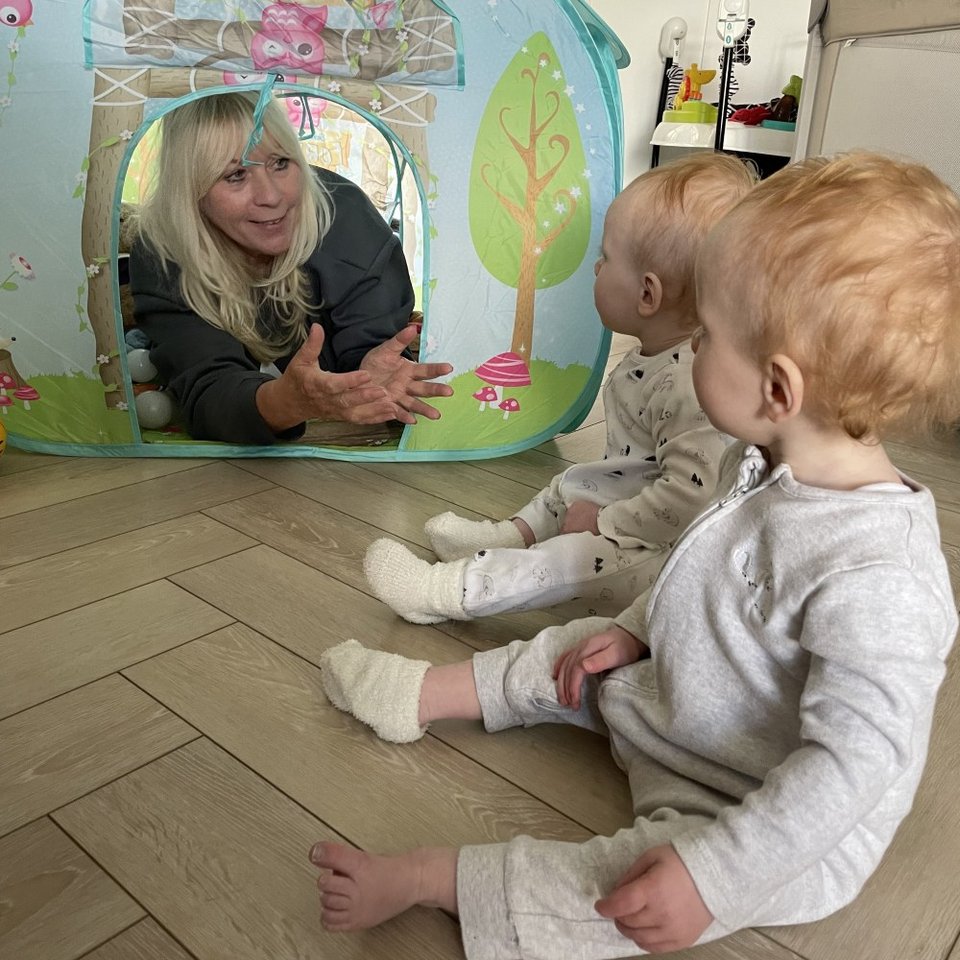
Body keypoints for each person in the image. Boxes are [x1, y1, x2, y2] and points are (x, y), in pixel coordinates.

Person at [308, 151, 960, 958]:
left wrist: (711, 879)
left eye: (709, 336)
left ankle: (430, 879)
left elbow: (850, 771)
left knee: (621, 892)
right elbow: (705, 565)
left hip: (755, 813)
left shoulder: (881, 576)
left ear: (778, 389)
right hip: (689, 702)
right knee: (570, 650)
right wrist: (640, 628)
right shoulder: (759, 460)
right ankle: (426, 694)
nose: (690, 352)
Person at [363, 153, 755, 624]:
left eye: (606, 258)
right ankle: (510, 535)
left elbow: (692, 497)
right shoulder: (656, 356)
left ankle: (449, 592)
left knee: (564, 564)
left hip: (665, 554)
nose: (595, 268)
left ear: (647, 295)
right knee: (570, 482)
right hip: (636, 504)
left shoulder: (692, 384)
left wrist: (604, 522)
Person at [129, 91, 453, 444]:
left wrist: (368, 370)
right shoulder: (163, 250)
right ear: (190, 191)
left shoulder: (346, 221)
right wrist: (287, 403)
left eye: (280, 163)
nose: (271, 196)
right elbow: (208, 393)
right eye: (236, 175)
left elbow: (373, 355)